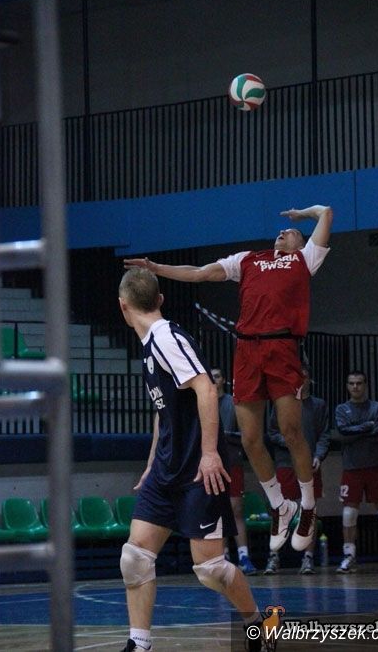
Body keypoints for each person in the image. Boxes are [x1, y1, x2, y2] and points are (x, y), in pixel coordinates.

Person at [124, 204, 333, 556]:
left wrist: (303, 215)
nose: (283, 232)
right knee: (250, 439)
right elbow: (200, 273)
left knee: (291, 431)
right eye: (282, 230)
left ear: (302, 243)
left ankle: (308, 506)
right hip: (247, 350)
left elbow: (326, 213)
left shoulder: (305, 260)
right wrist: (157, 268)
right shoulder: (248, 260)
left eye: (291, 233)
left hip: (282, 347)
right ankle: (280, 506)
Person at [118, 266, 277, 652]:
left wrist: (208, 454)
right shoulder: (150, 345)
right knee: (135, 557)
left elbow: (206, 389)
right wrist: (152, 462)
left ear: (123, 306)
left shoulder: (166, 338)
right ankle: (140, 643)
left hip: (197, 471)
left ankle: (258, 625)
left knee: (210, 570)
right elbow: (165, 412)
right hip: (166, 470)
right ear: (159, 299)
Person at [264, 364, 330, 575]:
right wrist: (291, 443)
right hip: (285, 463)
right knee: (279, 509)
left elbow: (325, 435)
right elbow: (272, 433)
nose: (301, 379)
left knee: (310, 511)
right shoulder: (281, 403)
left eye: (304, 376)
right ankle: (274, 557)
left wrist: (318, 455)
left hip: (310, 465)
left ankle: (308, 558)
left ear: (310, 379)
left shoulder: (318, 405)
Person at [334, 371, 378, 574]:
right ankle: (349, 556)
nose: (355, 387)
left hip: (375, 466)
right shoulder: (342, 409)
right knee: (348, 514)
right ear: (347, 386)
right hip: (352, 467)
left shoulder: (377, 407)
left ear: (366, 385)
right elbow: (342, 434)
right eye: (352, 383)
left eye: (359, 383)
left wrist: (355, 430)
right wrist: (367, 427)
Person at [211, 366, 257, 575]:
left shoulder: (233, 403)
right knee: (217, 511)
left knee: (236, 509)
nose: (214, 380)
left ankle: (244, 556)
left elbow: (246, 434)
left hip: (232, 462)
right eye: (211, 377)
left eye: (217, 376)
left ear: (223, 380)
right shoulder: (204, 402)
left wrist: (227, 436)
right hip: (212, 465)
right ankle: (223, 557)